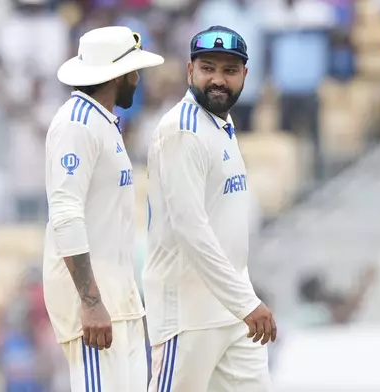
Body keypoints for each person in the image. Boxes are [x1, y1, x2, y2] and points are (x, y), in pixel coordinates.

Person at [143, 26, 277, 392]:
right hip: (187, 315)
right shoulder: (182, 131)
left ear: (245, 76)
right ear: (190, 71)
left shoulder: (220, 123)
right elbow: (191, 231)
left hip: (230, 311)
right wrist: (246, 302)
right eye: (208, 68)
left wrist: (240, 300)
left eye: (230, 71)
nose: (218, 80)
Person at [43, 26, 164, 391]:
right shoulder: (75, 124)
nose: (138, 79)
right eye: (135, 71)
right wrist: (90, 301)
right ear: (121, 74)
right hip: (94, 302)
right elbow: (65, 212)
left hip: (118, 296)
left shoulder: (102, 122)